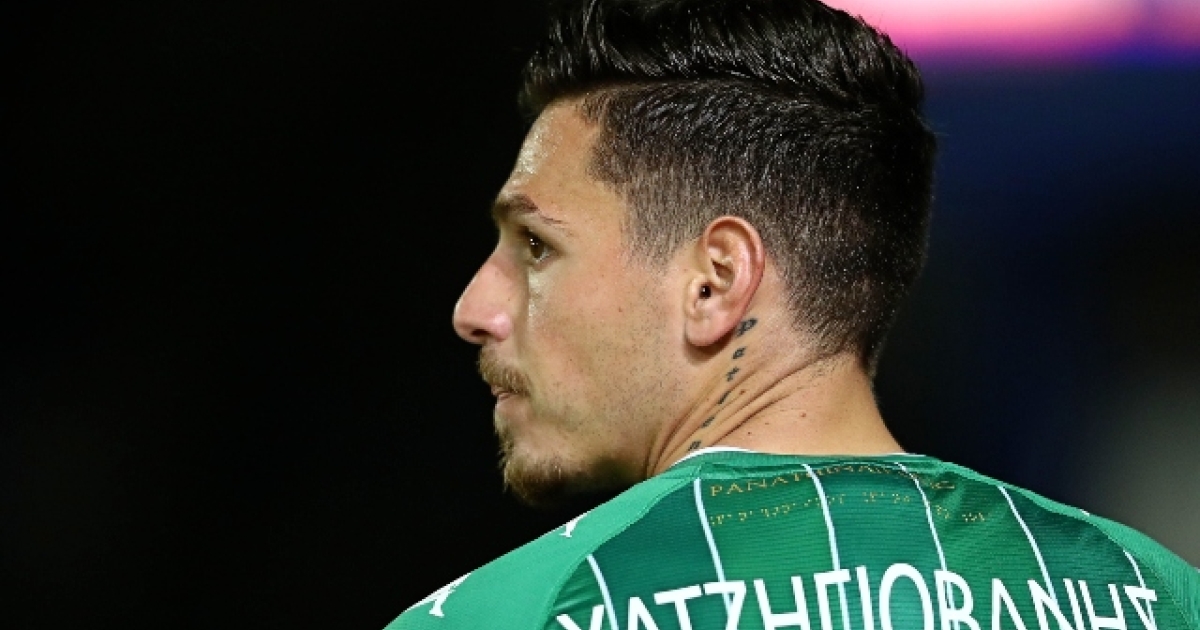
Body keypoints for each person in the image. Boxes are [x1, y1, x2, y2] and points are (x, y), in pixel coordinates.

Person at [386, 0, 1200, 627]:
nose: (475, 309)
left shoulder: (506, 614)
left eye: (535, 245)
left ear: (715, 282)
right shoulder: (1153, 594)